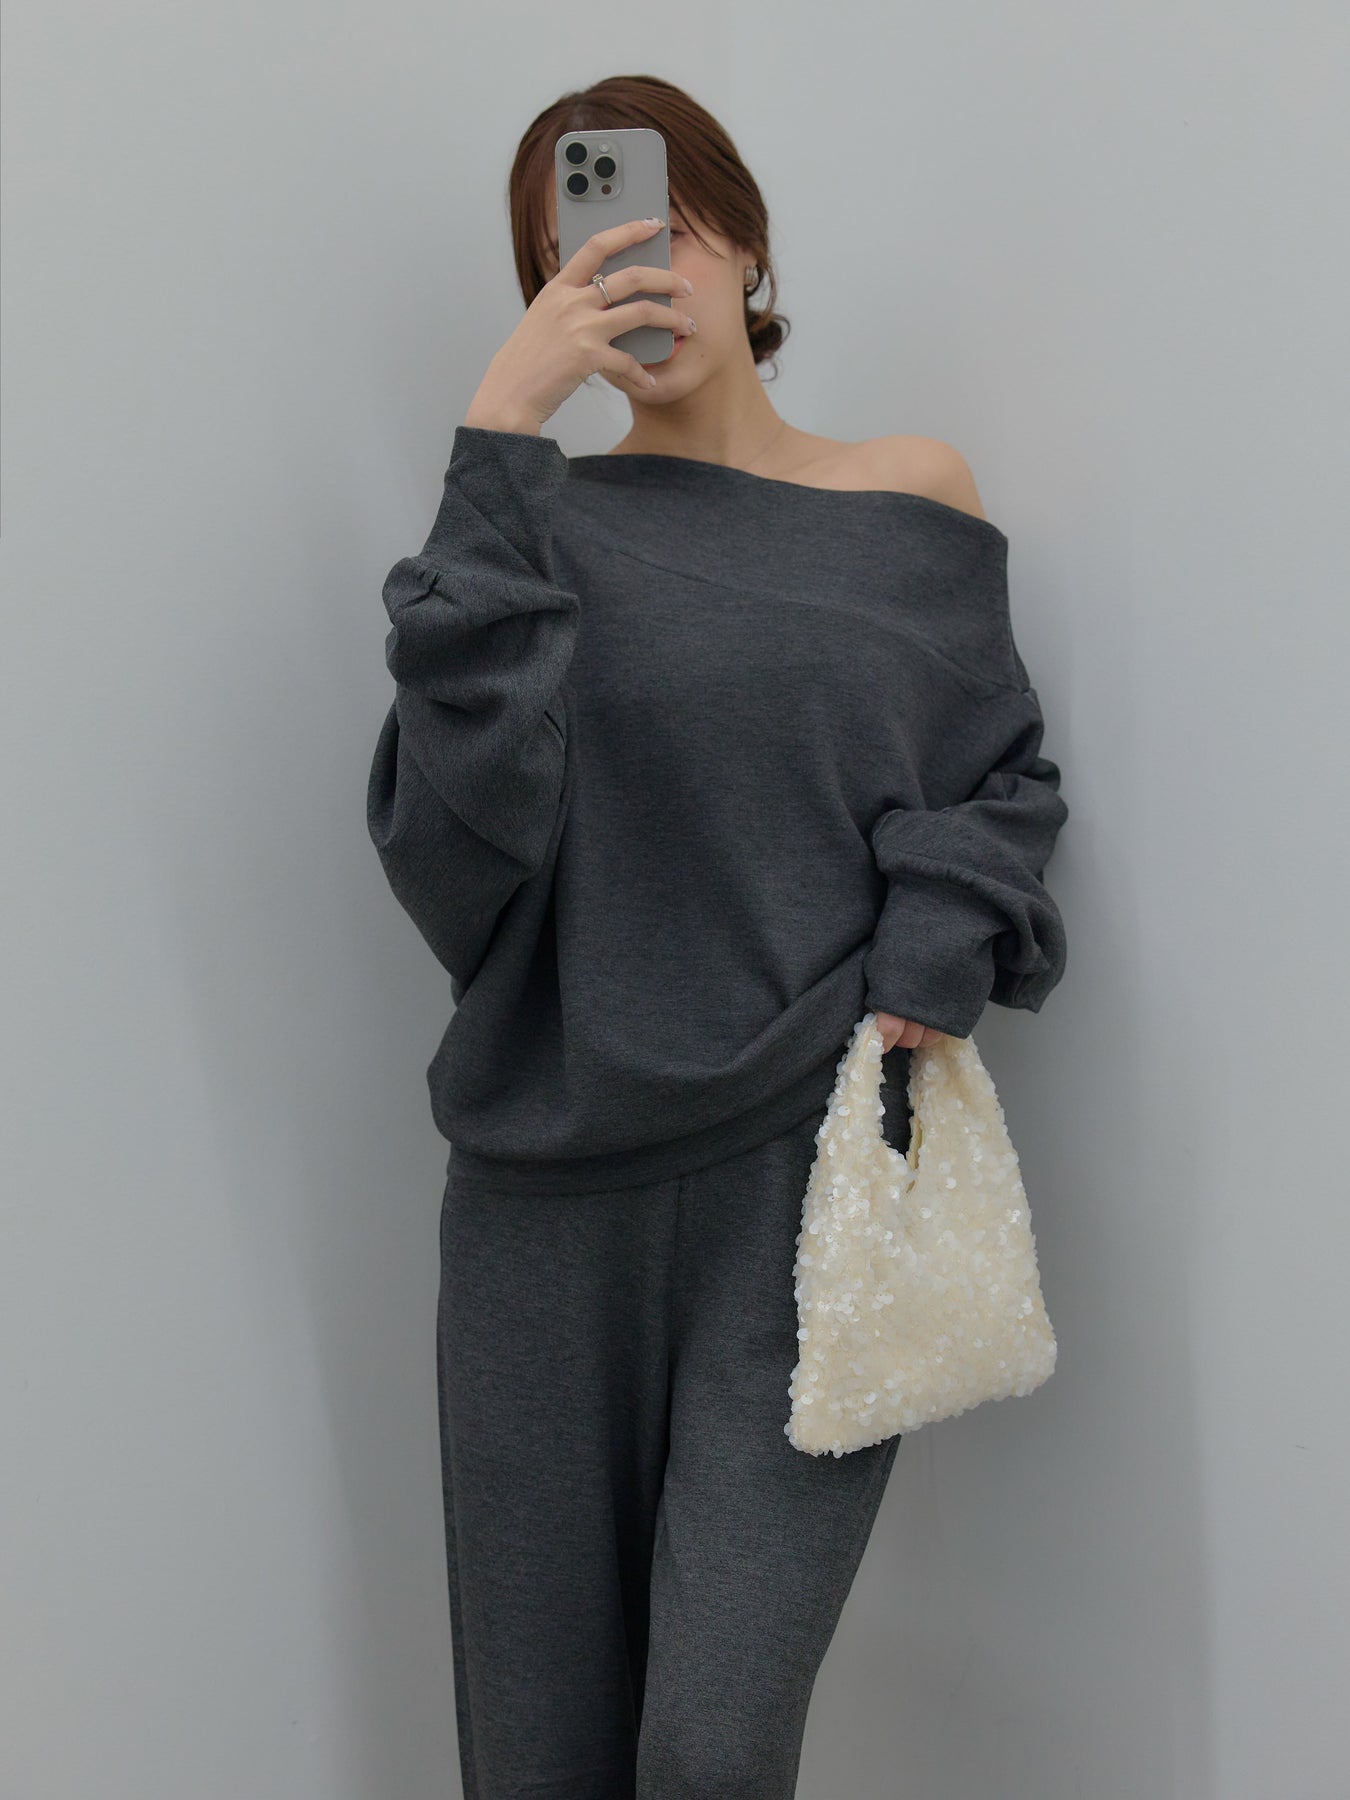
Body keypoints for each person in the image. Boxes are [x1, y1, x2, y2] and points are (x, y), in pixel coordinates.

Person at [366, 74, 1069, 1800]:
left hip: (806, 1179)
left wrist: (926, 965)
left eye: (663, 230)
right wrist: (498, 439)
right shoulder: (534, 528)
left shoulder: (910, 494)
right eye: (578, 253)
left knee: (711, 1742)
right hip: (542, 1202)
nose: (632, 273)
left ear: (745, 245)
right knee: (540, 1752)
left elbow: (995, 779)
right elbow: (453, 853)